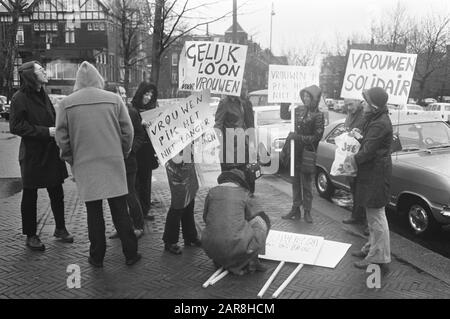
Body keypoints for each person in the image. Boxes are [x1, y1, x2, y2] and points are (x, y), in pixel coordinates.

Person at [55, 61, 141, 267]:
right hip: (113, 161)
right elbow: (128, 132)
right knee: (120, 210)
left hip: (85, 163)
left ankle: (97, 257)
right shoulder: (114, 99)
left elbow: (61, 137)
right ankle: (130, 254)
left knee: (93, 214)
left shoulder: (66, 104)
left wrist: (70, 158)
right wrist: (122, 152)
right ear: (98, 78)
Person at [9, 61, 73, 251]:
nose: (44, 71)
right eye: (40, 70)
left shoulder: (42, 94)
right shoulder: (19, 98)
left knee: (57, 192)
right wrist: (47, 132)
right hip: (33, 155)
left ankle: (60, 229)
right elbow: (17, 126)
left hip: (50, 152)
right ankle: (31, 235)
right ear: (31, 75)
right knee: (30, 195)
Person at [344, 87, 393, 269]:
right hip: (373, 173)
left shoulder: (379, 123)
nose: (362, 103)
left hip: (376, 175)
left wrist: (349, 160)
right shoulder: (375, 119)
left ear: (372, 105)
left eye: (365, 101)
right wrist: (357, 136)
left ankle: (378, 257)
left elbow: (367, 151)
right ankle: (371, 248)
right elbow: (368, 142)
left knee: (377, 217)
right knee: (373, 216)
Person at [202, 169, 270, 275]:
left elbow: (205, 217)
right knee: (262, 221)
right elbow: (254, 215)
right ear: (239, 182)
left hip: (209, 245)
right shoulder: (244, 193)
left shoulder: (211, 192)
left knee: (221, 227)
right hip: (235, 245)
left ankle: (221, 259)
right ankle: (253, 261)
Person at [105, 84, 146, 240]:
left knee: (130, 194)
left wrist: (131, 150)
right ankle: (122, 227)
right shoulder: (107, 112)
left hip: (128, 162)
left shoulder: (132, 112)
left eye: (123, 93)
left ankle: (138, 225)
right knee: (115, 197)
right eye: (118, 93)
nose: (122, 96)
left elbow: (140, 135)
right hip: (112, 162)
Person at [280, 85, 325, 223]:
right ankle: (295, 209)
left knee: (306, 183)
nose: (305, 99)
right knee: (295, 182)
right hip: (295, 152)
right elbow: (284, 115)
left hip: (306, 154)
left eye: (308, 96)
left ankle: (307, 211)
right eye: (304, 96)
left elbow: (317, 137)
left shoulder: (318, 115)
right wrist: (284, 101)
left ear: (314, 99)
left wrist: (298, 138)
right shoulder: (298, 110)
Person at [214, 80, 256, 194]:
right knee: (229, 177)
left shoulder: (242, 102)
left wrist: (251, 144)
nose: (242, 89)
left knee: (243, 176)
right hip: (230, 147)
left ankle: (243, 198)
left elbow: (249, 124)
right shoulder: (224, 103)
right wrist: (224, 143)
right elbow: (217, 126)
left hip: (242, 146)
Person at [163, 146, 201, 255]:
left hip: (186, 158)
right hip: (175, 163)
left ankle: (190, 236)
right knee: (178, 205)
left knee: (189, 201)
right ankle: (170, 241)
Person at [131, 82, 160, 221]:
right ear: (141, 93)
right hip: (136, 151)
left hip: (148, 151)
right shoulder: (132, 109)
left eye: (151, 95)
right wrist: (140, 123)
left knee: (146, 182)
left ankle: (145, 209)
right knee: (135, 183)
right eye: (146, 93)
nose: (148, 97)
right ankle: (136, 213)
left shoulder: (153, 110)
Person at [341, 99, 369, 235]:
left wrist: (356, 135)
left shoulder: (365, 115)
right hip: (350, 156)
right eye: (346, 104)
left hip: (361, 158)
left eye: (351, 104)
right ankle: (356, 215)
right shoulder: (350, 115)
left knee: (363, 191)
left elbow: (366, 138)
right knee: (354, 188)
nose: (348, 107)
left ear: (359, 102)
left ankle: (365, 221)